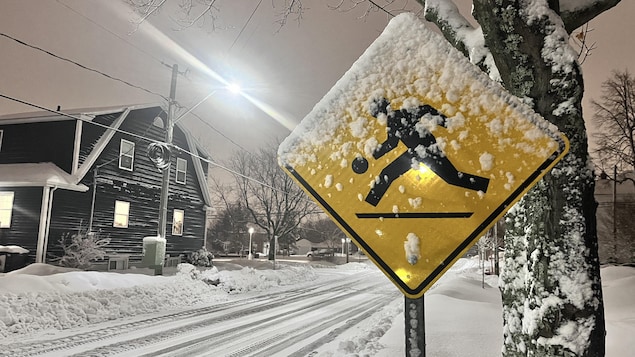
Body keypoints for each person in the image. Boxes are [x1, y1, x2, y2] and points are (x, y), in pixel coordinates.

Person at [361, 97, 489, 206]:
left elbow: (426, 108)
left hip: (427, 148)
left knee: (452, 177)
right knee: (387, 173)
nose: (377, 116)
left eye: (376, 113)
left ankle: (486, 186)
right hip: (416, 152)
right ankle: (369, 204)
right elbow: (392, 143)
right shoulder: (393, 119)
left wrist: (446, 122)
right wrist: (375, 154)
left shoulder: (401, 114)